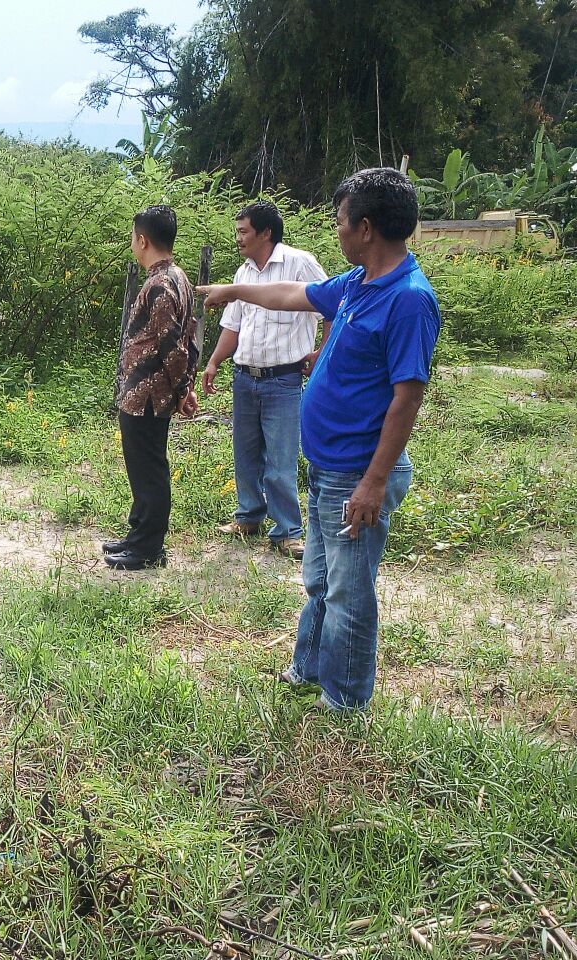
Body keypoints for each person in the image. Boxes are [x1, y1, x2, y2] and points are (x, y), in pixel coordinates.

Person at [201, 169, 440, 711]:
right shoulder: (358, 284)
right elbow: (293, 294)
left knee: (348, 593)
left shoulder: (407, 300)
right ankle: (309, 671)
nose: (336, 231)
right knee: (320, 580)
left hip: (358, 474)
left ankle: (345, 700)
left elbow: (407, 399)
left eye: (339, 221)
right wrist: (234, 290)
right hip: (330, 470)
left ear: (366, 227)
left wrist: (374, 483)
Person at [202, 202, 328, 559]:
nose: (238, 238)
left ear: (266, 232)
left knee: (280, 459)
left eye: (244, 231)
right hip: (245, 378)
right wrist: (214, 361)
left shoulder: (299, 263)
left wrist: (322, 351)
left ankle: (287, 530)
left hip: (283, 379)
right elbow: (233, 325)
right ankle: (248, 516)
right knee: (245, 453)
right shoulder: (242, 274)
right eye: (237, 231)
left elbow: (331, 307)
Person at [104, 205, 200, 571]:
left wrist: (181, 391)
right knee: (143, 467)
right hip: (148, 393)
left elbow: (171, 345)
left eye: (133, 237)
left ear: (142, 240)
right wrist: (185, 386)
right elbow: (188, 340)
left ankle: (147, 548)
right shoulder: (179, 278)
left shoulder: (160, 284)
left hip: (147, 394)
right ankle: (138, 535)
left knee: (149, 470)